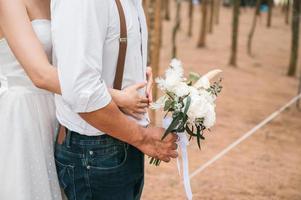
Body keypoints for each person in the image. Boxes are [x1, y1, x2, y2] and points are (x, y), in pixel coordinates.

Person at [0, 0, 177, 199]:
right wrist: (115, 95)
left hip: (62, 109)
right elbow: (41, 75)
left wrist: (133, 71)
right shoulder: (9, 3)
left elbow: (79, 55)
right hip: (25, 116)